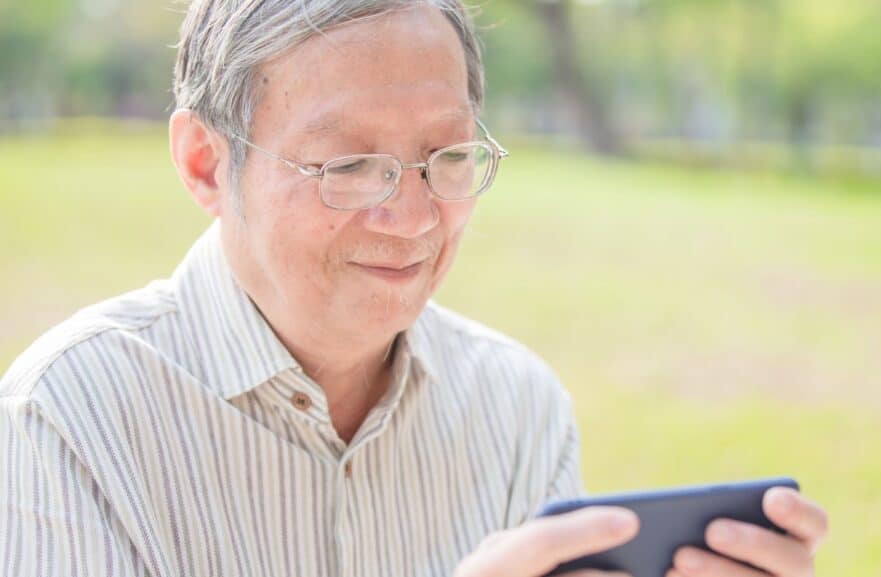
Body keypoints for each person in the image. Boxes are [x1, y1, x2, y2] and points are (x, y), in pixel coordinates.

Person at [0, 1, 828, 576]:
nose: (410, 216)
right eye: (350, 166)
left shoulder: (517, 408)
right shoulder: (70, 415)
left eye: (447, 157)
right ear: (205, 164)